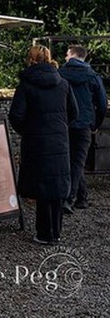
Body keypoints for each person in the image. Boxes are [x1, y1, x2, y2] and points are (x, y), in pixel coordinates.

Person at [9, 45, 78, 245]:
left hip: (37, 142)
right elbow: (74, 113)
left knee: (42, 188)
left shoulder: (25, 85)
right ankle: (55, 232)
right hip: (59, 142)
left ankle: (43, 233)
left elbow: (16, 115)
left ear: (31, 60)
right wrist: (61, 129)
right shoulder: (63, 83)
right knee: (56, 187)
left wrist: (28, 131)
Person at [59, 44, 107, 213]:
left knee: (69, 161)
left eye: (66, 54)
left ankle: (80, 197)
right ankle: (69, 199)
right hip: (84, 124)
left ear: (72, 55)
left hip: (64, 123)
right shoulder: (93, 76)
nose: (65, 57)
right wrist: (95, 124)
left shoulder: (60, 74)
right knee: (78, 162)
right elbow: (102, 104)